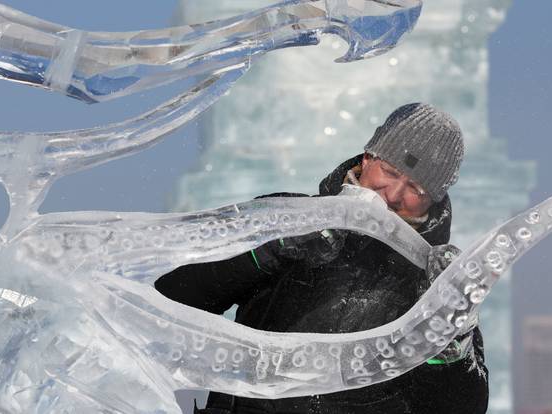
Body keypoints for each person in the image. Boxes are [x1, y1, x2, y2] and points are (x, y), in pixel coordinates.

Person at [155, 103, 489, 414]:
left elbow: (463, 408)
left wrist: (448, 343)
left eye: (416, 188)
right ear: (368, 157)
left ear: (433, 200)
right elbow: (174, 298)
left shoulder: (434, 281)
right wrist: (271, 249)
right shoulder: (286, 215)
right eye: (389, 171)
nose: (394, 195)